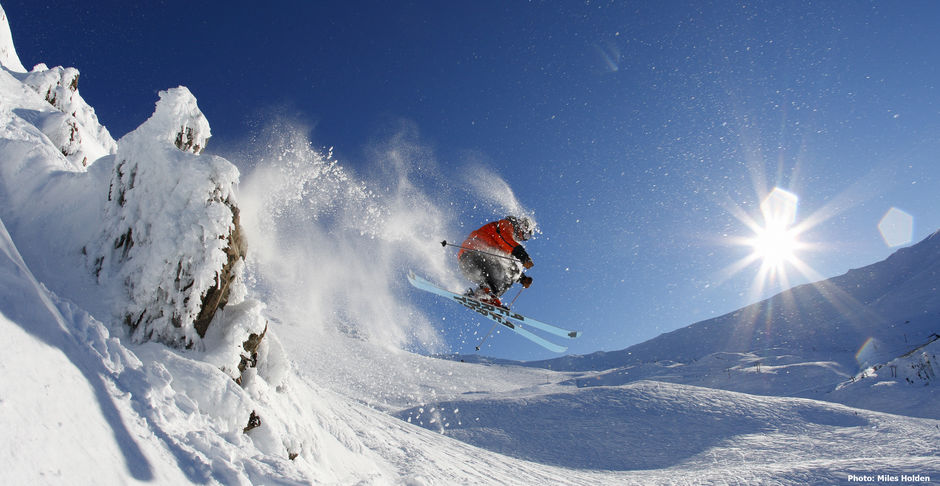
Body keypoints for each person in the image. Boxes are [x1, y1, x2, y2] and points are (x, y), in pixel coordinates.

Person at [457, 216, 535, 308]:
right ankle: (483, 295)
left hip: (470, 266)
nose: (523, 239)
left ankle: (487, 297)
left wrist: (522, 278)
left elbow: (509, 263)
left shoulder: (505, 246)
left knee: (508, 278)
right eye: (526, 235)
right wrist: (524, 257)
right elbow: (505, 240)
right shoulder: (506, 225)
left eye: (526, 238)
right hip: (473, 255)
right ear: (523, 227)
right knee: (500, 273)